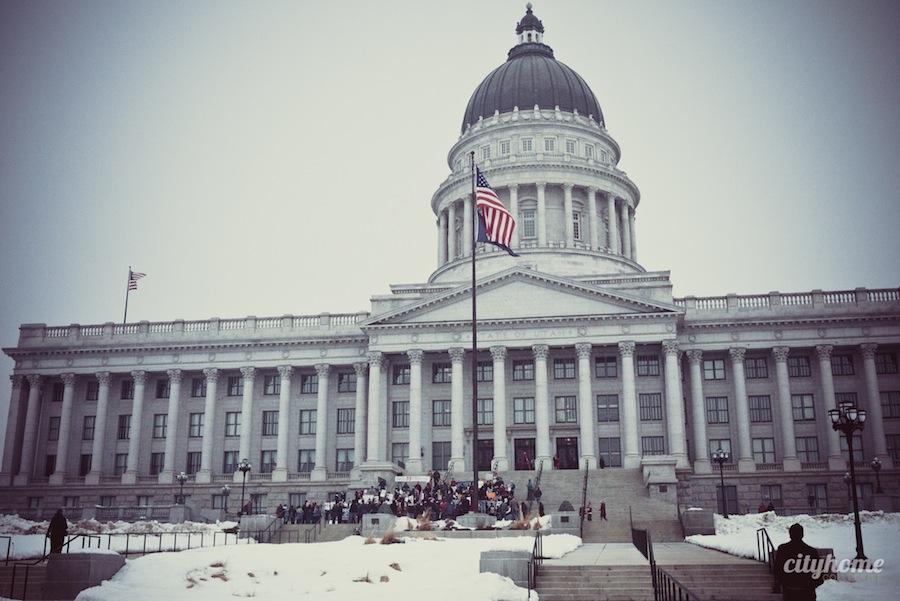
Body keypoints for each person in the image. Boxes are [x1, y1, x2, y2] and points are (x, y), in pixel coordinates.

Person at [774, 523, 823, 600]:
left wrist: (785, 583)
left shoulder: (783, 550)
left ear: (790, 534)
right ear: (802, 534)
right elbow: (819, 573)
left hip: (790, 592)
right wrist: (810, 585)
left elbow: (777, 570)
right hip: (807, 592)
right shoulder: (811, 551)